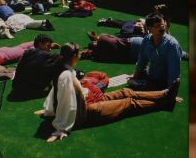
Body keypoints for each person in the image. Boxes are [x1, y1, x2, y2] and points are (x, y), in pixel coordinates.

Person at [39, 43, 182, 142]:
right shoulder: (66, 75)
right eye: (79, 54)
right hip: (86, 112)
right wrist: (61, 128)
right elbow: (68, 102)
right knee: (128, 103)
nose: (81, 55)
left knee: (125, 92)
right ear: (74, 56)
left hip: (89, 100)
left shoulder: (64, 69)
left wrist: (49, 110)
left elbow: (56, 93)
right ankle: (164, 102)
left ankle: (164, 94)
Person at [129, 14, 182, 91]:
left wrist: (170, 92)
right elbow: (142, 61)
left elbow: (174, 73)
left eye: (163, 25)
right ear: (150, 29)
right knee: (132, 83)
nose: (162, 28)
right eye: (158, 26)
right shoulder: (147, 40)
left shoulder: (172, 45)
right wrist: (135, 77)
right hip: (151, 77)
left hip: (163, 83)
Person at [11, 34, 63, 99]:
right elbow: (62, 58)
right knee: (56, 66)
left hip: (16, 87)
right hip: (31, 90)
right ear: (40, 44)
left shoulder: (28, 52)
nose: (50, 49)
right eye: (48, 46)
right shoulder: (44, 56)